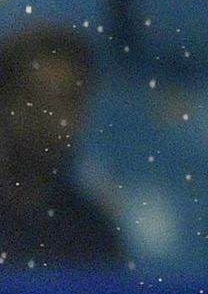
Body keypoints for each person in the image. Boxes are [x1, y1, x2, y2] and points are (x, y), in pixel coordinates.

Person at [0, 26, 122, 268]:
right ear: (5, 101)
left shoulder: (90, 231)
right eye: (35, 99)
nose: (53, 119)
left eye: (68, 101)